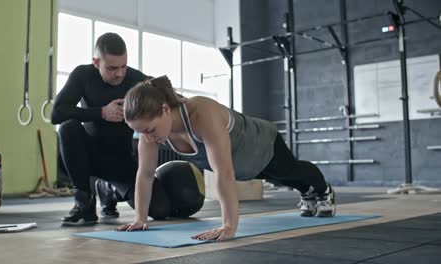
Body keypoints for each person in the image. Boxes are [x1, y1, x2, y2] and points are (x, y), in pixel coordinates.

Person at [116, 75, 336, 242]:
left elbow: (223, 172)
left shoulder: (201, 113)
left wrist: (229, 226)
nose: (146, 137)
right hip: (243, 166)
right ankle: (307, 192)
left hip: (261, 144)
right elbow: (145, 176)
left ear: (164, 109)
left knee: (289, 173)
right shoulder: (150, 134)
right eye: (139, 132)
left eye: (149, 129)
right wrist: (140, 219)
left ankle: (322, 190)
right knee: (281, 179)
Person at [51, 33, 171, 226]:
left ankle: (108, 189)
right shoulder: (83, 75)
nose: (120, 73)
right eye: (112, 68)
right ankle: (84, 202)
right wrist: (101, 113)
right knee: (67, 128)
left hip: (120, 161)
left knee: (160, 210)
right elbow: (56, 114)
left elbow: (169, 99)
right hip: (88, 157)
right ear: (96, 62)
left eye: (123, 66)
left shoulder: (136, 79)